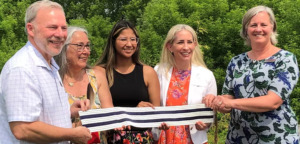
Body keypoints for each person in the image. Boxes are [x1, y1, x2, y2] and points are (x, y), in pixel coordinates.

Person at [203, 5, 299, 143]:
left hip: (276, 138)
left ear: (272, 27)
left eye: (263, 24)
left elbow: (273, 102)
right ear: (246, 30)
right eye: (253, 25)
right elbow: (227, 100)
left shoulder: (286, 59)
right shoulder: (236, 61)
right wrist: (216, 101)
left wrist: (231, 102)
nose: (258, 29)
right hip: (239, 137)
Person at [0, 0, 92, 143]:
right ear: (31, 29)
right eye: (52, 27)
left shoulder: (49, 63)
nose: (60, 34)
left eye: (63, 28)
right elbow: (23, 128)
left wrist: (68, 111)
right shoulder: (22, 68)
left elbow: (37, 115)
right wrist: (72, 134)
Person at [94, 20, 160, 143]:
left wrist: (144, 111)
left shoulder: (148, 72)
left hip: (142, 138)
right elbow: (99, 111)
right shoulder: (100, 72)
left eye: (133, 39)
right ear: (113, 42)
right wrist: (134, 111)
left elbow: (156, 114)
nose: (129, 44)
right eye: (123, 39)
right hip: (110, 138)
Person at [154, 24, 217, 144]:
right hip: (164, 137)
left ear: (195, 44)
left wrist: (205, 124)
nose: (186, 47)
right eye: (180, 42)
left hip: (194, 139)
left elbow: (210, 113)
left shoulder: (207, 75)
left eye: (190, 42)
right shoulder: (158, 71)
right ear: (169, 46)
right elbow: (153, 105)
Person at [55, 26, 114, 143]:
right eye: (80, 46)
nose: (86, 51)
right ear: (64, 48)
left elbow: (110, 116)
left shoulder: (97, 77)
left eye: (87, 46)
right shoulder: (53, 79)